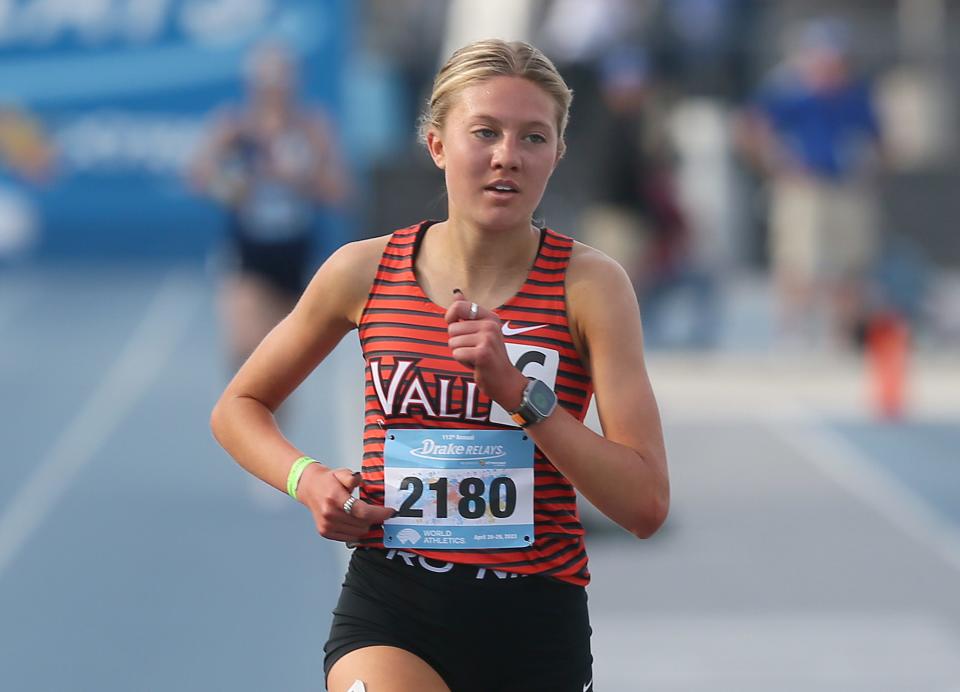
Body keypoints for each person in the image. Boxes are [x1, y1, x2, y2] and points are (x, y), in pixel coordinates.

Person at [210, 39, 669, 692]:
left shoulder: (590, 287)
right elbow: (238, 407)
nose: (507, 155)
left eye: (533, 138)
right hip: (393, 606)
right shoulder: (361, 272)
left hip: (534, 618)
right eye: (484, 132)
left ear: (557, 155)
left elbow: (645, 504)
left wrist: (519, 392)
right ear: (437, 145)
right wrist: (307, 481)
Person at [190, 41, 349, 373]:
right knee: (246, 350)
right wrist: (235, 186)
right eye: (267, 82)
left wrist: (297, 179)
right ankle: (240, 415)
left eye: (281, 80)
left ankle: (265, 420)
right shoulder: (235, 128)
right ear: (253, 85)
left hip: (296, 254)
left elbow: (340, 192)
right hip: (248, 253)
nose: (275, 90)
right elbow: (199, 178)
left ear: (295, 83)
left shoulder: (311, 127)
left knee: (282, 367)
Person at [737, 17, 883, 348]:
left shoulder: (854, 94)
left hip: (845, 186)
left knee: (849, 262)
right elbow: (749, 128)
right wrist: (776, 162)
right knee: (798, 260)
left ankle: (840, 334)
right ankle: (793, 332)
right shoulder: (789, 91)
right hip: (802, 187)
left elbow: (880, 139)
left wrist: (869, 165)